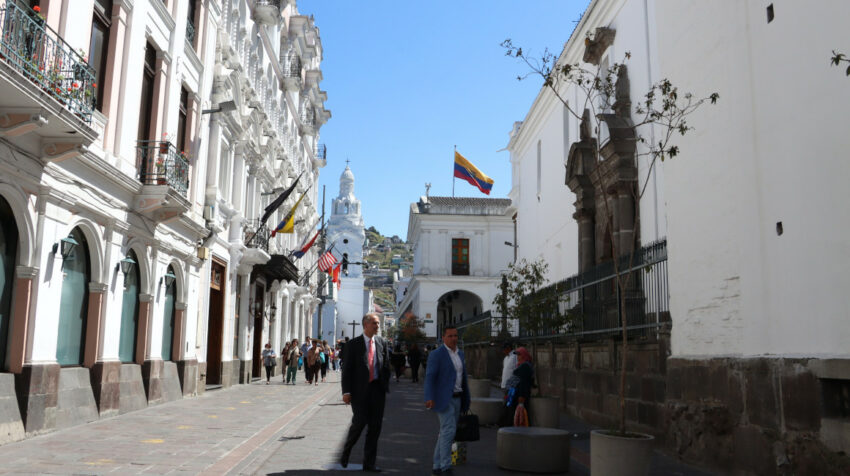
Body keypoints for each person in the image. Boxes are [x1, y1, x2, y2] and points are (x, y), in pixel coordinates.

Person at [340, 313, 390, 472]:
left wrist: (385, 383)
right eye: (375, 323)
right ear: (366, 325)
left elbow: (386, 365)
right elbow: (346, 370)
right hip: (359, 391)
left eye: (378, 324)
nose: (377, 326)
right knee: (359, 422)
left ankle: (369, 463)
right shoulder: (353, 345)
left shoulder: (382, 343)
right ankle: (347, 450)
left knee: (375, 427)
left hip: (377, 390)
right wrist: (346, 391)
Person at [424, 325, 470, 476]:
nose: (453, 338)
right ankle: (445, 466)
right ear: (443, 338)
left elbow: (462, 378)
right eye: (450, 336)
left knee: (445, 432)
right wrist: (429, 397)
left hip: (458, 397)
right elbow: (430, 377)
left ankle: (437, 465)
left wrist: (466, 398)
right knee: (449, 431)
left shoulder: (460, 354)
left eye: (455, 336)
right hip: (443, 399)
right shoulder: (437, 354)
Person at [501, 346, 534, 427]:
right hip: (514, 394)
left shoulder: (525, 366)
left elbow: (523, 382)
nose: (518, 357)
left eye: (520, 355)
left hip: (518, 396)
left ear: (524, 355)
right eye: (517, 355)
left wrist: (521, 397)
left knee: (516, 416)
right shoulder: (522, 365)